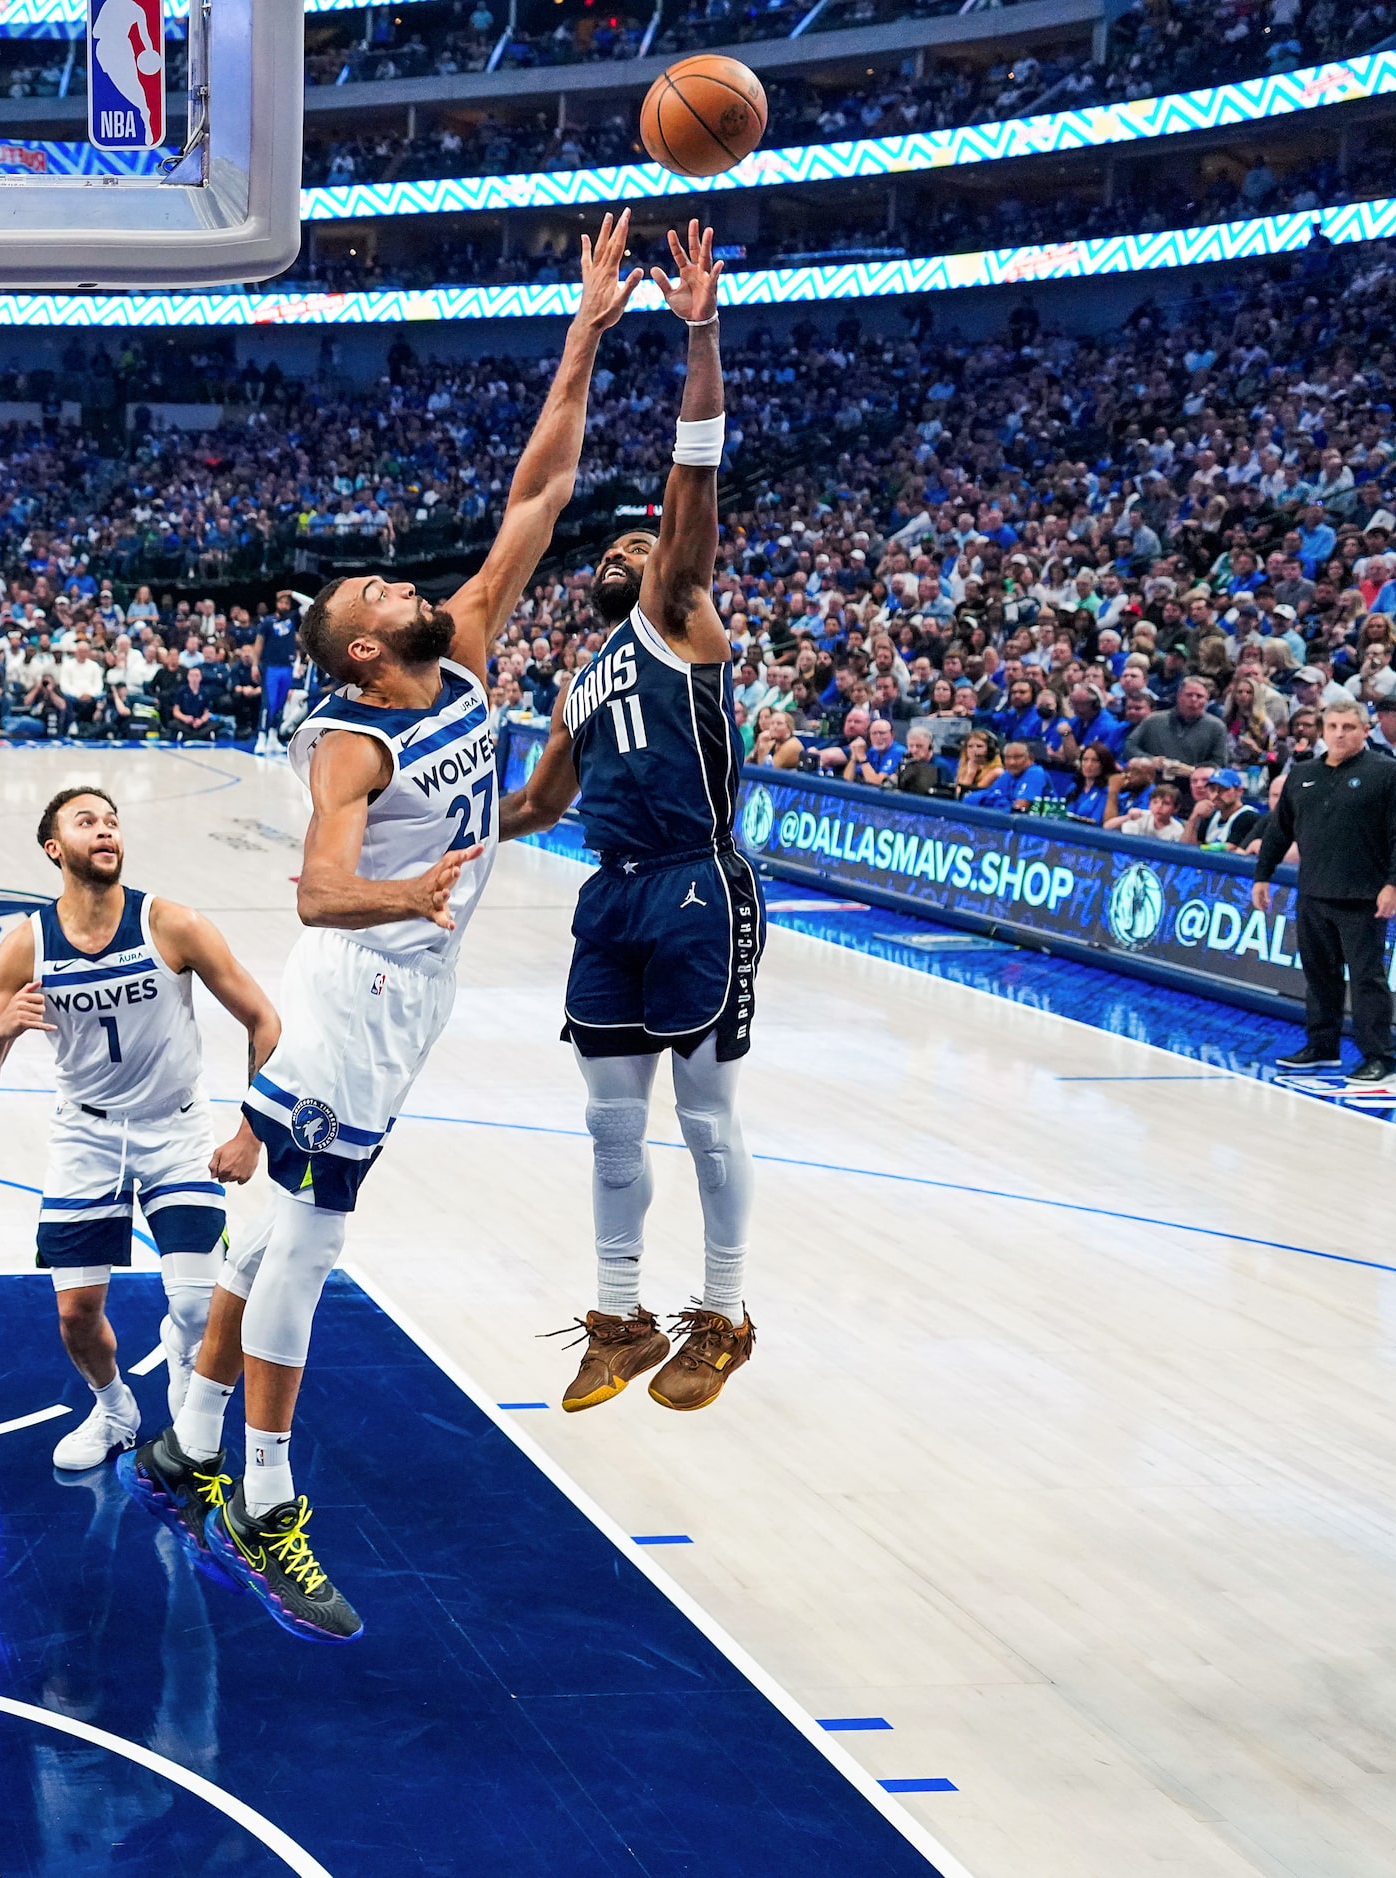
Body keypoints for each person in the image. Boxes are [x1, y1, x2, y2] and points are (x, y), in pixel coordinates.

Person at [123, 211, 635, 1645]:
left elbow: (540, 492)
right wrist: (405, 894)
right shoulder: (348, 737)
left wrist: (585, 331)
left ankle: (182, 1436)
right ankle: (265, 1498)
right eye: (378, 593)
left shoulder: (464, 648)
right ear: (358, 645)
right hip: (353, 977)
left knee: (268, 1223)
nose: (407, 584)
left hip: (414, 987)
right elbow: (313, 887)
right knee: (307, 1244)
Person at [502, 218, 760, 1419]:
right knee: (612, 1121)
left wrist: (697, 328)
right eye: (611, 542)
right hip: (609, 888)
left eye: (641, 539)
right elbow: (539, 802)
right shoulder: (581, 674)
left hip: (700, 880)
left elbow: (690, 472)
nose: (626, 542)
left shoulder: (680, 611)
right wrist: (446, 823)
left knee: (702, 1115)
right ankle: (620, 1316)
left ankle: (723, 1310)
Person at [0, 786, 279, 1473]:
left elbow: (264, 1020)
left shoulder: (172, 924)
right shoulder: (25, 948)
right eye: (85, 822)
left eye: (111, 821)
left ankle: (184, 1372)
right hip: (86, 1135)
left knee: (195, 1307)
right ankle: (114, 1411)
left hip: (178, 1130)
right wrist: (2, 1035)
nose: (104, 831)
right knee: (75, 1314)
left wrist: (252, 1131)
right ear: (54, 848)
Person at [1255, 699, 1396, 1082]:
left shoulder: (1389, 774)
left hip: (1364, 896)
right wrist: (1262, 875)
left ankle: (1380, 1057)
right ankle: (1322, 1046)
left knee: (1366, 979)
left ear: (1365, 730)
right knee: (1319, 974)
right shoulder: (1303, 774)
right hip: (1313, 892)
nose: (1340, 733)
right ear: (1322, 730)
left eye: (1349, 727)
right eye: (1333, 726)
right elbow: (1279, 830)